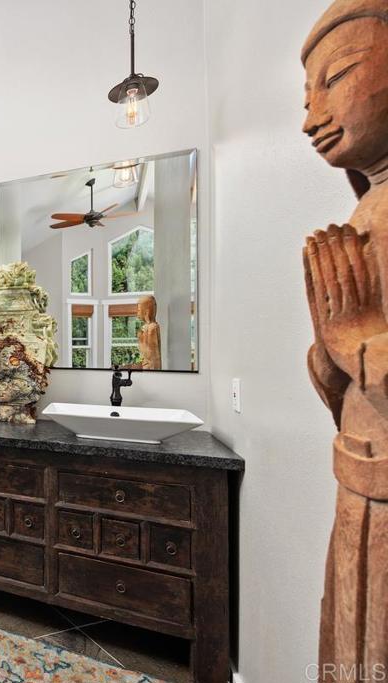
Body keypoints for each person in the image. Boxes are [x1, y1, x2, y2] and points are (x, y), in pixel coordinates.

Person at [301, 0, 388, 672]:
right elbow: (343, 374)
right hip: (358, 476)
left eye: (332, 80)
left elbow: (362, 347)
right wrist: (330, 350)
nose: (309, 119)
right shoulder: (365, 209)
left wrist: (353, 340)